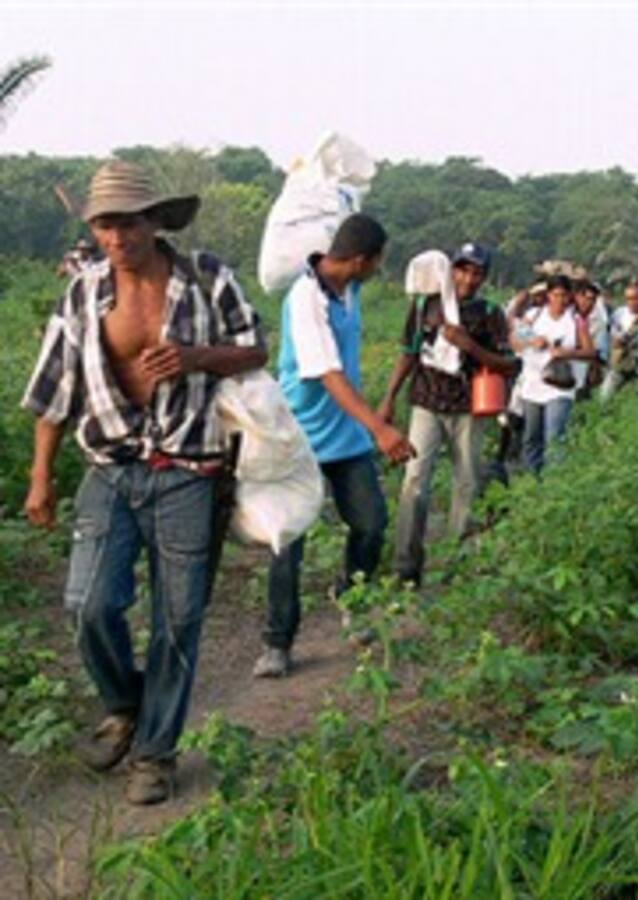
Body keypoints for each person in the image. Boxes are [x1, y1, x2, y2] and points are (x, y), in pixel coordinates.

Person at [22, 160, 267, 804]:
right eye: (104, 226)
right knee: (88, 605)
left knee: (178, 620)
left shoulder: (207, 278)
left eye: (127, 224)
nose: (116, 239)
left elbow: (254, 347)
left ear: (155, 221)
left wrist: (194, 358)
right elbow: (54, 390)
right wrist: (40, 476)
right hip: (109, 467)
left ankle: (155, 754)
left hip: (190, 471)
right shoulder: (83, 292)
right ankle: (126, 706)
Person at [253, 214, 413, 679]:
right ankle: (277, 643)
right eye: (378, 261)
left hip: (345, 438)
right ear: (362, 260)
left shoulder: (350, 288)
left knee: (370, 523)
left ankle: (351, 597)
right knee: (287, 542)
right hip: (299, 438)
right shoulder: (305, 299)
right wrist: (381, 429)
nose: (378, 270)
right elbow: (328, 374)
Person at [379, 242, 516, 587]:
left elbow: (509, 363)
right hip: (427, 401)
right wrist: (389, 397)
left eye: (476, 273)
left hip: (469, 407)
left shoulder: (489, 313)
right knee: (414, 482)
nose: (468, 279)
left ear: (484, 277)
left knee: (466, 483)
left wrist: (470, 346)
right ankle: (405, 567)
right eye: (463, 270)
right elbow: (408, 353)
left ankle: (457, 566)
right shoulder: (427, 305)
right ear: (451, 270)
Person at [513, 274, 595, 473]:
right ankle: (532, 481)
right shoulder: (533, 316)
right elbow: (516, 340)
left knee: (554, 437)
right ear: (548, 295)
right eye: (556, 295)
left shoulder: (576, 321)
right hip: (532, 384)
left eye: (564, 296)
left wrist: (567, 353)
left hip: (560, 387)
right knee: (531, 437)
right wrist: (532, 341)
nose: (560, 300)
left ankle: (554, 484)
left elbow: (590, 352)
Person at [600, 282, 638, 400]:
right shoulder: (619, 313)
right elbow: (612, 332)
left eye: (635, 298)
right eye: (629, 298)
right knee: (604, 397)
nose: (632, 302)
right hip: (620, 362)